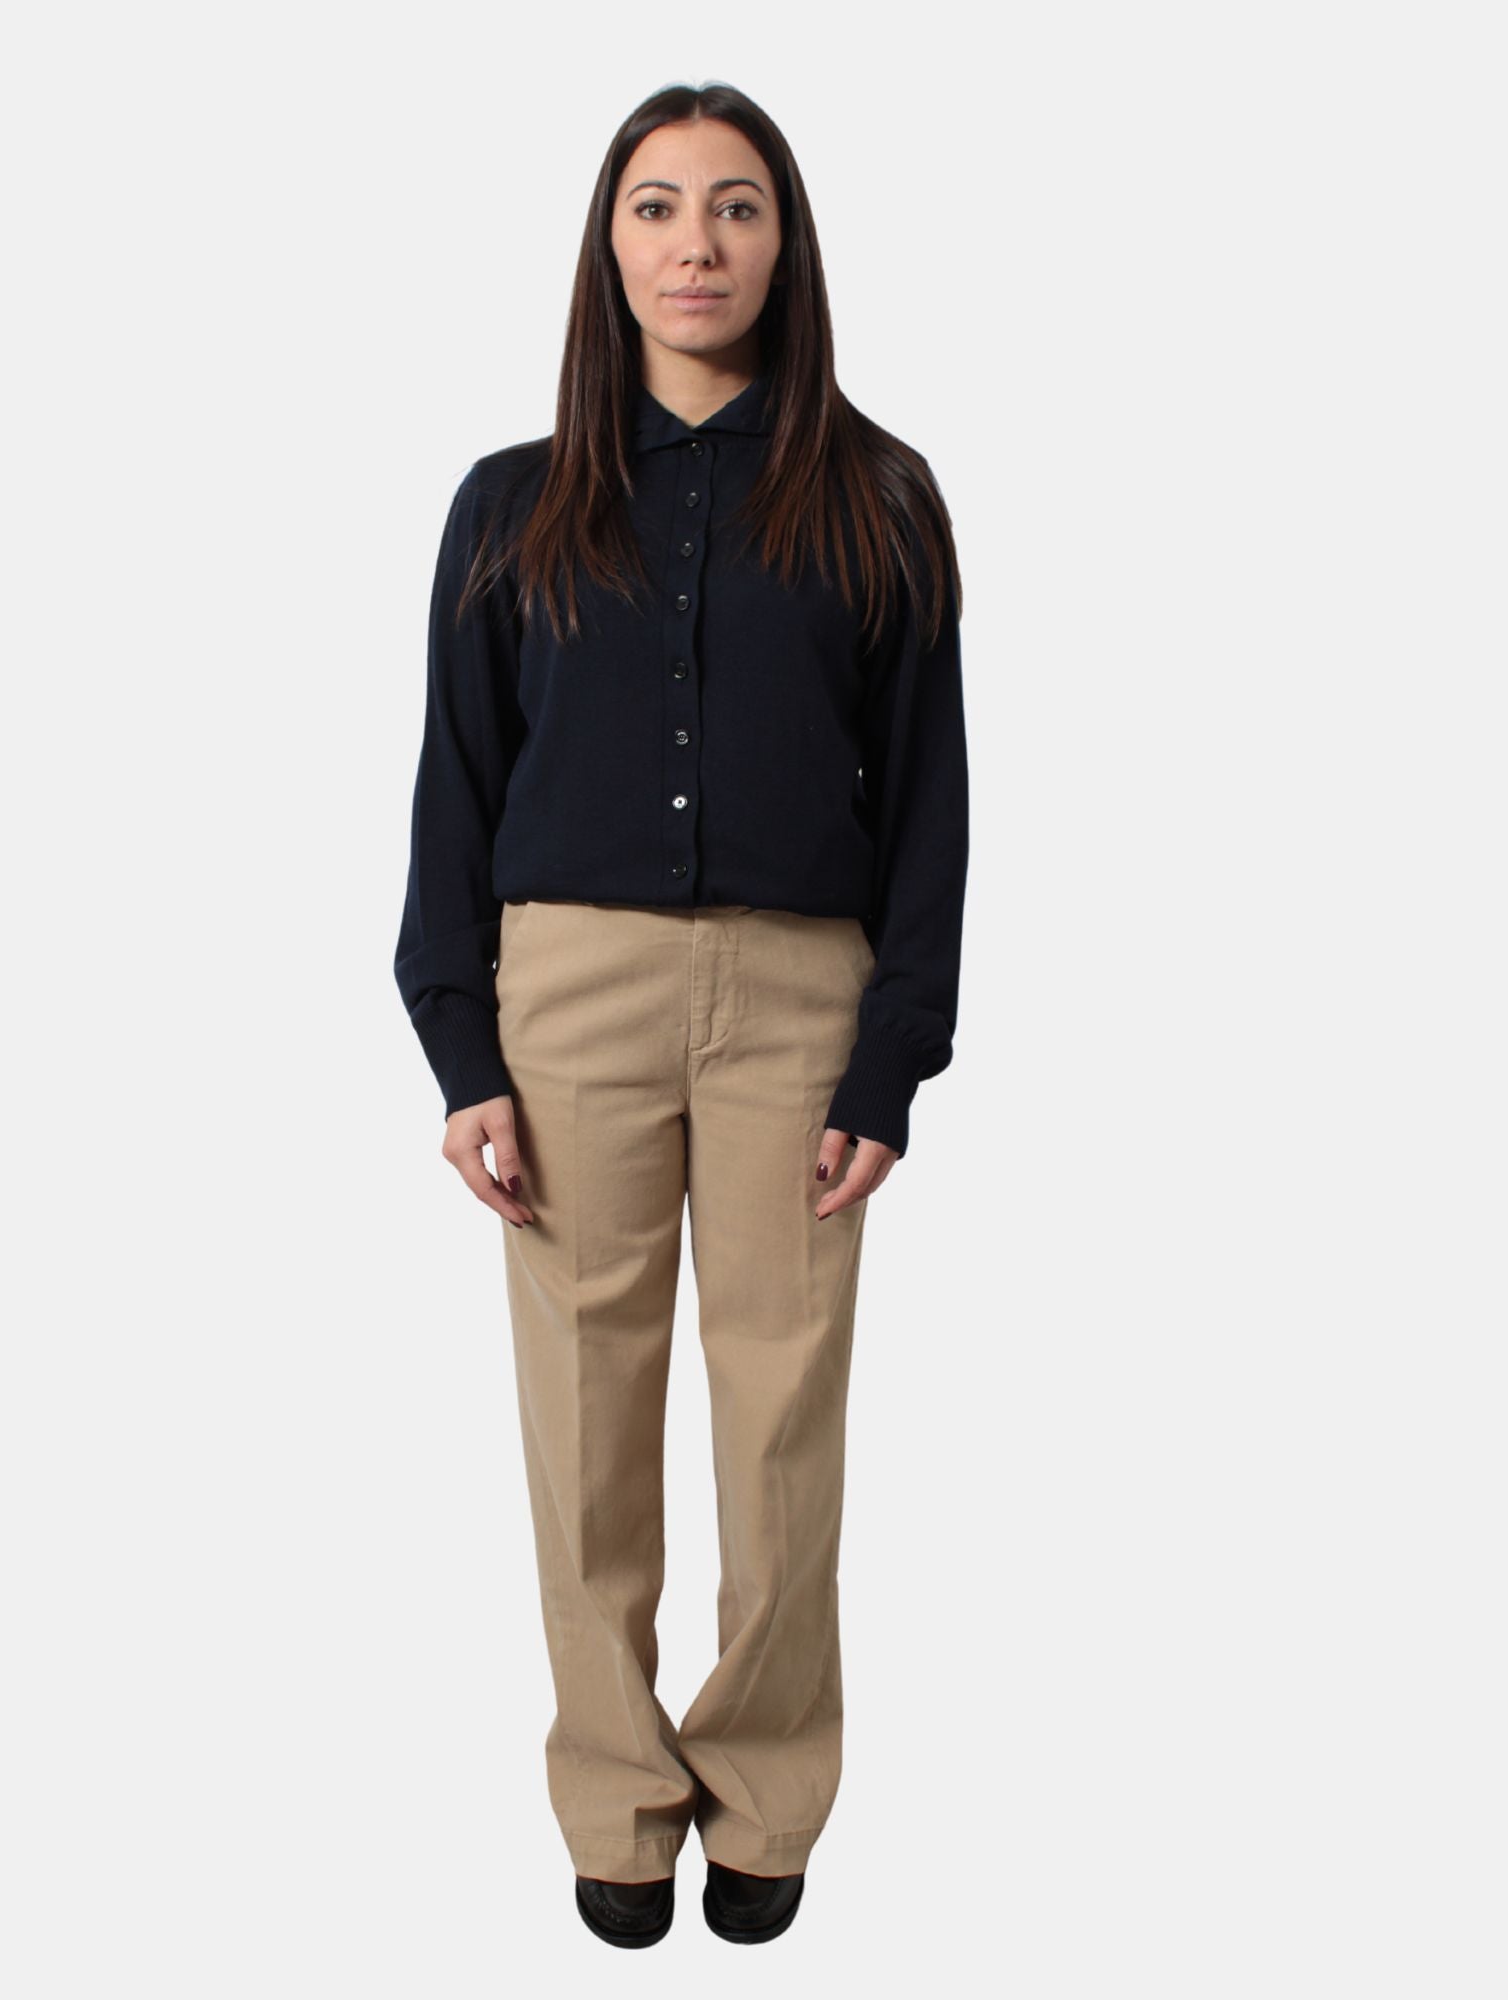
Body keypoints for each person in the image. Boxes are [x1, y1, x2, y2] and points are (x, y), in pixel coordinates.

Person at [394, 80, 968, 1949]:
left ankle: (768, 1790)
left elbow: (932, 800)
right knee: (585, 1421)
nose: (695, 244)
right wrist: (462, 1047)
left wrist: (893, 1053)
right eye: (656, 206)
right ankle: (620, 1801)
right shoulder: (513, 504)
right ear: (609, 244)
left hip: (801, 1000)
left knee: (782, 1424)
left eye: (734, 206)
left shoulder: (879, 496)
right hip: (567, 995)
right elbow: (455, 790)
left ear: (785, 241)